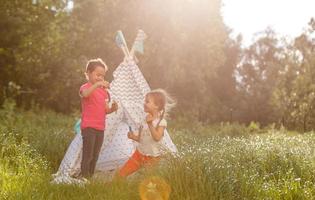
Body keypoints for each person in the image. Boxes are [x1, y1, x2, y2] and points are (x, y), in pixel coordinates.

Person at [119, 89, 175, 177]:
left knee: (148, 180)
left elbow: (157, 138)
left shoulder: (161, 122)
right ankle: (113, 185)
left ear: (156, 106)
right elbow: (140, 138)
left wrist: (150, 124)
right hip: (139, 153)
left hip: (153, 157)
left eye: (147, 101)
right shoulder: (144, 120)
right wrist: (133, 137)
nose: (144, 103)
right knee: (122, 173)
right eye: (145, 101)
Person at [79, 58, 118, 178]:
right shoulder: (85, 87)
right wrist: (97, 84)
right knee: (88, 155)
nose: (100, 78)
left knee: (95, 155)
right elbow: (85, 95)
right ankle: (84, 177)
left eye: (102, 76)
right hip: (89, 127)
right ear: (89, 73)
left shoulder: (104, 92)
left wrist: (113, 108)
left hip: (100, 128)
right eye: (97, 75)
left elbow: (105, 110)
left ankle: (89, 177)